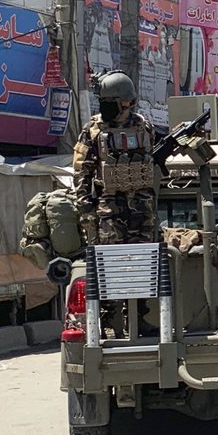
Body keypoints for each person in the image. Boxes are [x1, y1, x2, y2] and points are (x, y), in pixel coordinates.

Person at [73, 70, 157, 336]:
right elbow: (81, 171)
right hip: (109, 208)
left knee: (142, 264)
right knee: (110, 265)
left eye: (109, 101)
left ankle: (138, 318)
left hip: (141, 208)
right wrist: (86, 207)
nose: (104, 106)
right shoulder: (93, 129)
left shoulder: (144, 126)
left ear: (126, 102)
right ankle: (110, 321)